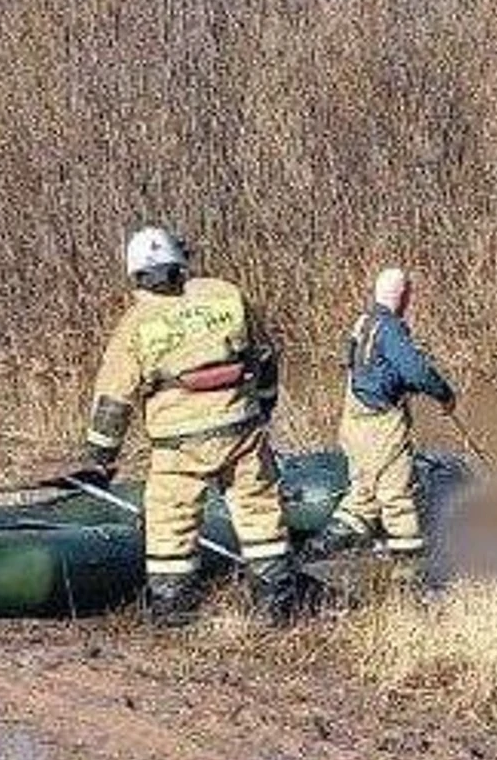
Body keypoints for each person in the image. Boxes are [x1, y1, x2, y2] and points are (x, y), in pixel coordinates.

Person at [75, 226, 298, 627]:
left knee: (170, 521)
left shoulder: (136, 324)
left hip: (180, 442)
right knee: (259, 510)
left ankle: (173, 609)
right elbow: (264, 355)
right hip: (240, 427)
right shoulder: (227, 295)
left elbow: (114, 398)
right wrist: (263, 406)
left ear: (136, 274)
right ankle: (277, 602)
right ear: (181, 260)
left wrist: (100, 458)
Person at [305, 267, 457, 573]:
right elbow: (415, 370)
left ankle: (318, 549)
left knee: (362, 490)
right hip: (380, 423)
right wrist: (444, 394)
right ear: (404, 296)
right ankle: (410, 576)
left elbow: (356, 363)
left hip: (353, 421)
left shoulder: (362, 323)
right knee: (397, 495)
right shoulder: (391, 329)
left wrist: (399, 381)